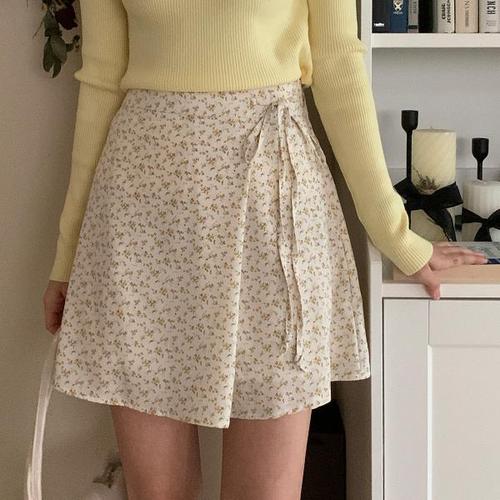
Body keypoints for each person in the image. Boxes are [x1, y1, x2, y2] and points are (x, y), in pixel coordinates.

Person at [42, 1, 488, 499]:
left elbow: (338, 65)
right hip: (140, 220)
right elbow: (102, 82)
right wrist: (68, 258)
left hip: (273, 209)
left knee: (265, 492)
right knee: (156, 492)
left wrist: (397, 236)